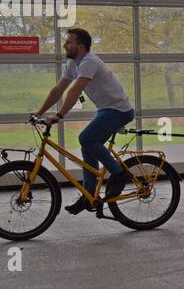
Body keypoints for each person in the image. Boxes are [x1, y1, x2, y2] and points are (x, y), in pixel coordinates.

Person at [34, 28, 135, 214]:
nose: (65, 45)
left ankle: (120, 173)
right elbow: (58, 90)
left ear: (80, 46)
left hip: (119, 110)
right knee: (87, 145)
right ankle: (89, 196)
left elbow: (74, 91)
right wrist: (39, 113)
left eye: (69, 42)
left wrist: (59, 115)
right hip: (106, 110)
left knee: (87, 139)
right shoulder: (73, 63)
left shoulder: (89, 61)